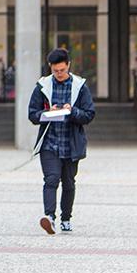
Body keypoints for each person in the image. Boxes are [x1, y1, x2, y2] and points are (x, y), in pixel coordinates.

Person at [27, 47, 95, 235]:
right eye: (55, 71)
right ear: (50, 67)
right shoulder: (43, 86)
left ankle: (66, 218)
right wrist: (48, 113)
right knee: (51, 179)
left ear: (69, 65)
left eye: (62, 70)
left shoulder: (80, 87)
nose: (59, 74)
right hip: (50, 142)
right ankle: (49, 216)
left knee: (69, 182)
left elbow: (89, 115)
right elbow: (32, 115)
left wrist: (73, 111)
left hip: (71, 142)